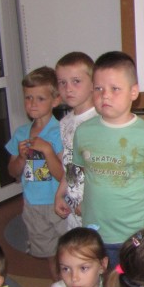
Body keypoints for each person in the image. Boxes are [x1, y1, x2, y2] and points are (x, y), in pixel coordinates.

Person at [72, 52, 144, 268]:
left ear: (133, 92)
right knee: (101, 283)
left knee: (136, 283)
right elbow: (84, 172)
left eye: (115, 89)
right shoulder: (83, 132)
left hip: (136, 233)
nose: (105, 96)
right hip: (95, 232)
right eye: (98, 89)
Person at [6, 66, 67, 280]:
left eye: (40, 98)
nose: (32, 103)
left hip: (59, 203)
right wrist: (21, 158)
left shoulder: (61, 132)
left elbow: (64, 176)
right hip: (33, 205)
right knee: (50, 254)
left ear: (55, 100)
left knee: (70, 251)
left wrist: (48, 150)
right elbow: (12, 172)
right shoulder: (21, 133)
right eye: (28, 97)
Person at [53, 52, 98, 231]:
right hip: (73, 203)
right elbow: (70, 164)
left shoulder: (98, 121)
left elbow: (101, 170)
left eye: (76, 81)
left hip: (95, 206)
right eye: (62, 83)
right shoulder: (65, 122)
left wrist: (88, 202)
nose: (68, 89)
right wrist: (60, 194)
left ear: (93, 84)